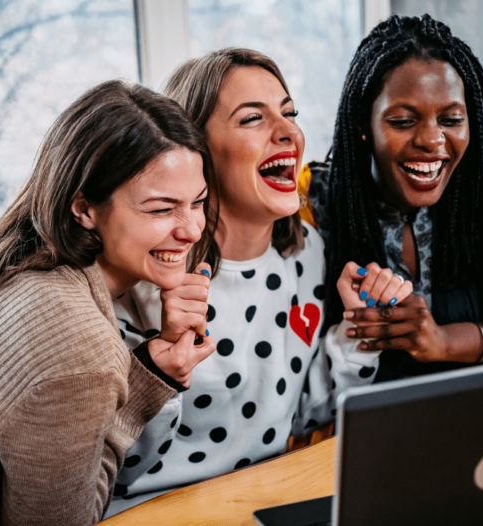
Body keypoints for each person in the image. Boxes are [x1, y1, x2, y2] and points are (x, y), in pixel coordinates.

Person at [0, 80, 218, 525]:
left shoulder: (29, 265)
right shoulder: (76, 343)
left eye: (198, 202)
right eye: (161, 209)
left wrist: (150, 370)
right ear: (84, 208)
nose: (191, 229)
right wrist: (141, 392)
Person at [103, 48, 413, 517]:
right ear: (195, 150)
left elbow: (301, 415)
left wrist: (358, 332)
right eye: (253, 119)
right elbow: (113, 470)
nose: (288, 132)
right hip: (155, 511)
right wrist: (158, 368)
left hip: (265, 500)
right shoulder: (149, 273)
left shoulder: (310, 252)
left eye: (289, 113)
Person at [299, 14, 483, 381]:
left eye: (451, 120)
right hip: (351, 433)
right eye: (402, 121)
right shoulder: (309, 205)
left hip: (473, 421)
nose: (432, 141)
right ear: (361, 124)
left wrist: (445, 342)